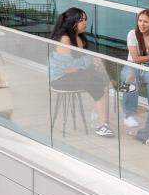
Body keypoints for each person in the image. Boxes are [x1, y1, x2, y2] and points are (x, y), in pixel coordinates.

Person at [48, 8, 115, 137]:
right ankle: (101, 123)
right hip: (60, 78)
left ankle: (100, 119)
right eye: (81, 20)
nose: (84, 23)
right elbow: (67, 68)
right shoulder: (65, 39)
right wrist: (89, 61)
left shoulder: (79, 38)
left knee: (98, 70)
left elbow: (77, 65)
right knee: (97, 80)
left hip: (73, 74)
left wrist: (90, 62)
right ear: (71, 22)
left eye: (85, 20)